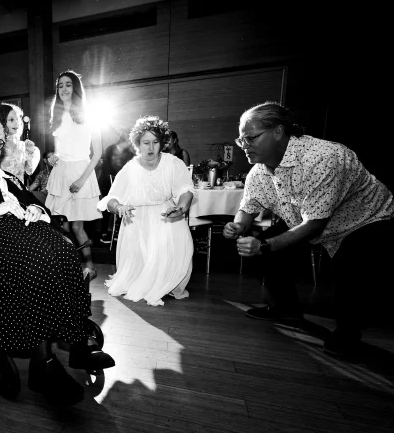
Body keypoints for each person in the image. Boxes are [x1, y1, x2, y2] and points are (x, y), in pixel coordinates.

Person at [0, 113, 115, 406]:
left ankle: (79, 343)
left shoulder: (8, 177)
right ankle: (43, 363)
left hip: (26, 231)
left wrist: (37, 212)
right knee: (36, 259)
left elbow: (36, 202)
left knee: (65, 251)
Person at [223, 102, 393, 357]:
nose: (244, 145)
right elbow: (248, 208)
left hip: (365, 218)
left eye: (250, 138)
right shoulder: (258, 172)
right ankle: (285, 308)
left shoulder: (324, 158)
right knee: (263, 256)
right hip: (307, 220)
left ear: (278, 132)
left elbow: (315, 225)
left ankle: (348, 333)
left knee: (350, 267)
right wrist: (238, 225)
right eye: (241, 139)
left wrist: (266, 245)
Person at [97, 116, 194, 306]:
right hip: (138, 220)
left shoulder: (173, 163)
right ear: (137, 144)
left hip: (166, 216)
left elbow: (186, 190)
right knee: (139, 277)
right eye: (146, 143)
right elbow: (110, 199)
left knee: (179, 241)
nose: (150, 148)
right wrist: (119, 207)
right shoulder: (129, 168)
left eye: (155, 142)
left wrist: (180, 208)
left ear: (163, 143)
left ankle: (169, 282)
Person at [45, 70, 102, 281]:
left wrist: (81, 180)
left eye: (68, 85)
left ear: (75, 88)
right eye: (60, 86)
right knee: (62, 225)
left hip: (81, 172)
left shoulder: (88, 116)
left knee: (77, 225)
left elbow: (97, 154)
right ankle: (70, 264)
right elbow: (57, 150)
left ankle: (89, 265)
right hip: (61, 172)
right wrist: (51, 157)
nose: (63, 89)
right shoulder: (57, 117)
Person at [97, 131, 136, 243]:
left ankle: (116, 232)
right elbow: (105, 167)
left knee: (120, 205)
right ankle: (104, 234)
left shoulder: (129, 154)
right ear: (127, 140)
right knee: (107, 207)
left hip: (120, 183)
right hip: (107, 181)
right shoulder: (110, 149)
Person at [0, 102, 40, 186]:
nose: (17, 123)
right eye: (11, 120)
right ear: (1, 121)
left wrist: (30, 152)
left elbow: (29, 171)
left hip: (19, 193)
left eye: (18, 119)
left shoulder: (23, 146)